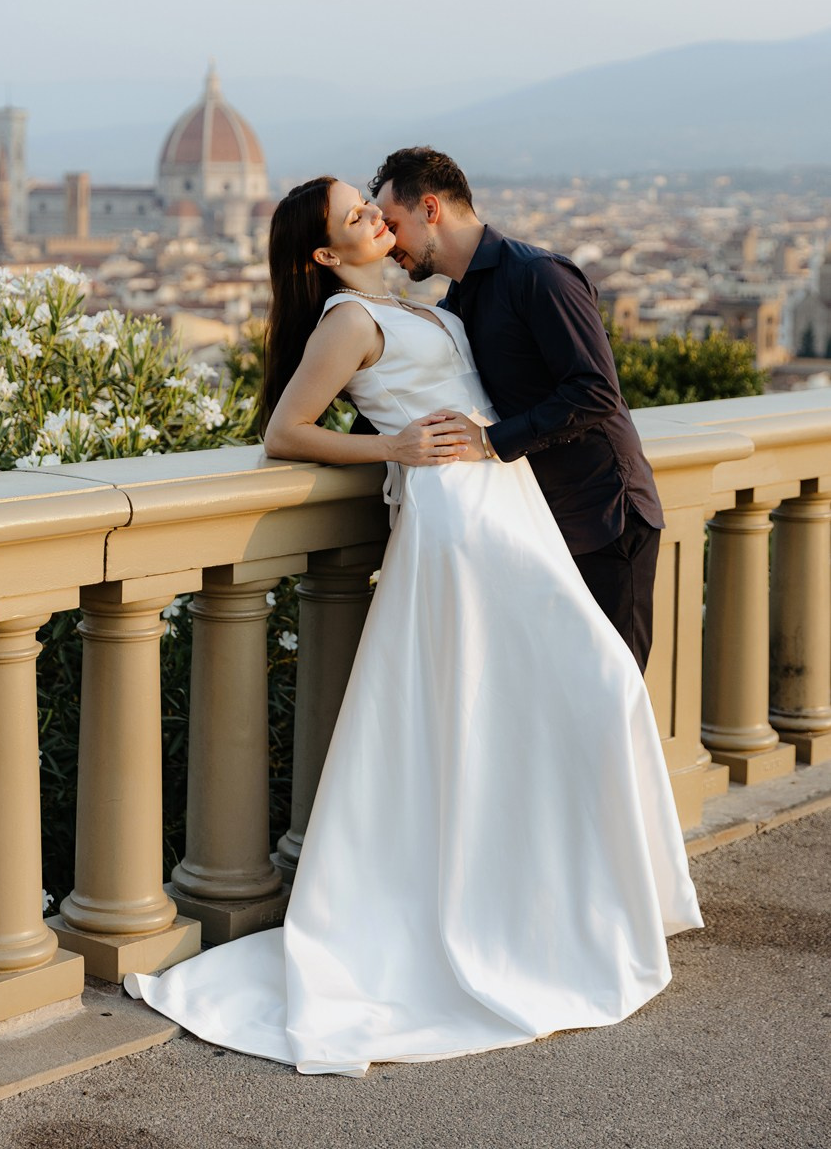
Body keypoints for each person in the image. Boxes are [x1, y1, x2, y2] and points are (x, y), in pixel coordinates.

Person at [125, 175, 702, 1076]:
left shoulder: (422, 302)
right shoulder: (348, 323)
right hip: (458, 522)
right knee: (565, 693)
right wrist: (392, 447)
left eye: (374, 206)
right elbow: (286, 430)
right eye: (357, 216)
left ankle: (550, 913)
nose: (374, 220)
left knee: (551, 705)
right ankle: (520, 922)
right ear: (325, 254)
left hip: (504, 504)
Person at [369, 147, 664, 672]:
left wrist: (488, 442)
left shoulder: (539, 275)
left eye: (393, 224)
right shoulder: (462, 298)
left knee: (611, 696)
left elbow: (596, 390)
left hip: (605, 517)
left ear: (430, 209)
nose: (389, 242)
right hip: (541, 522)